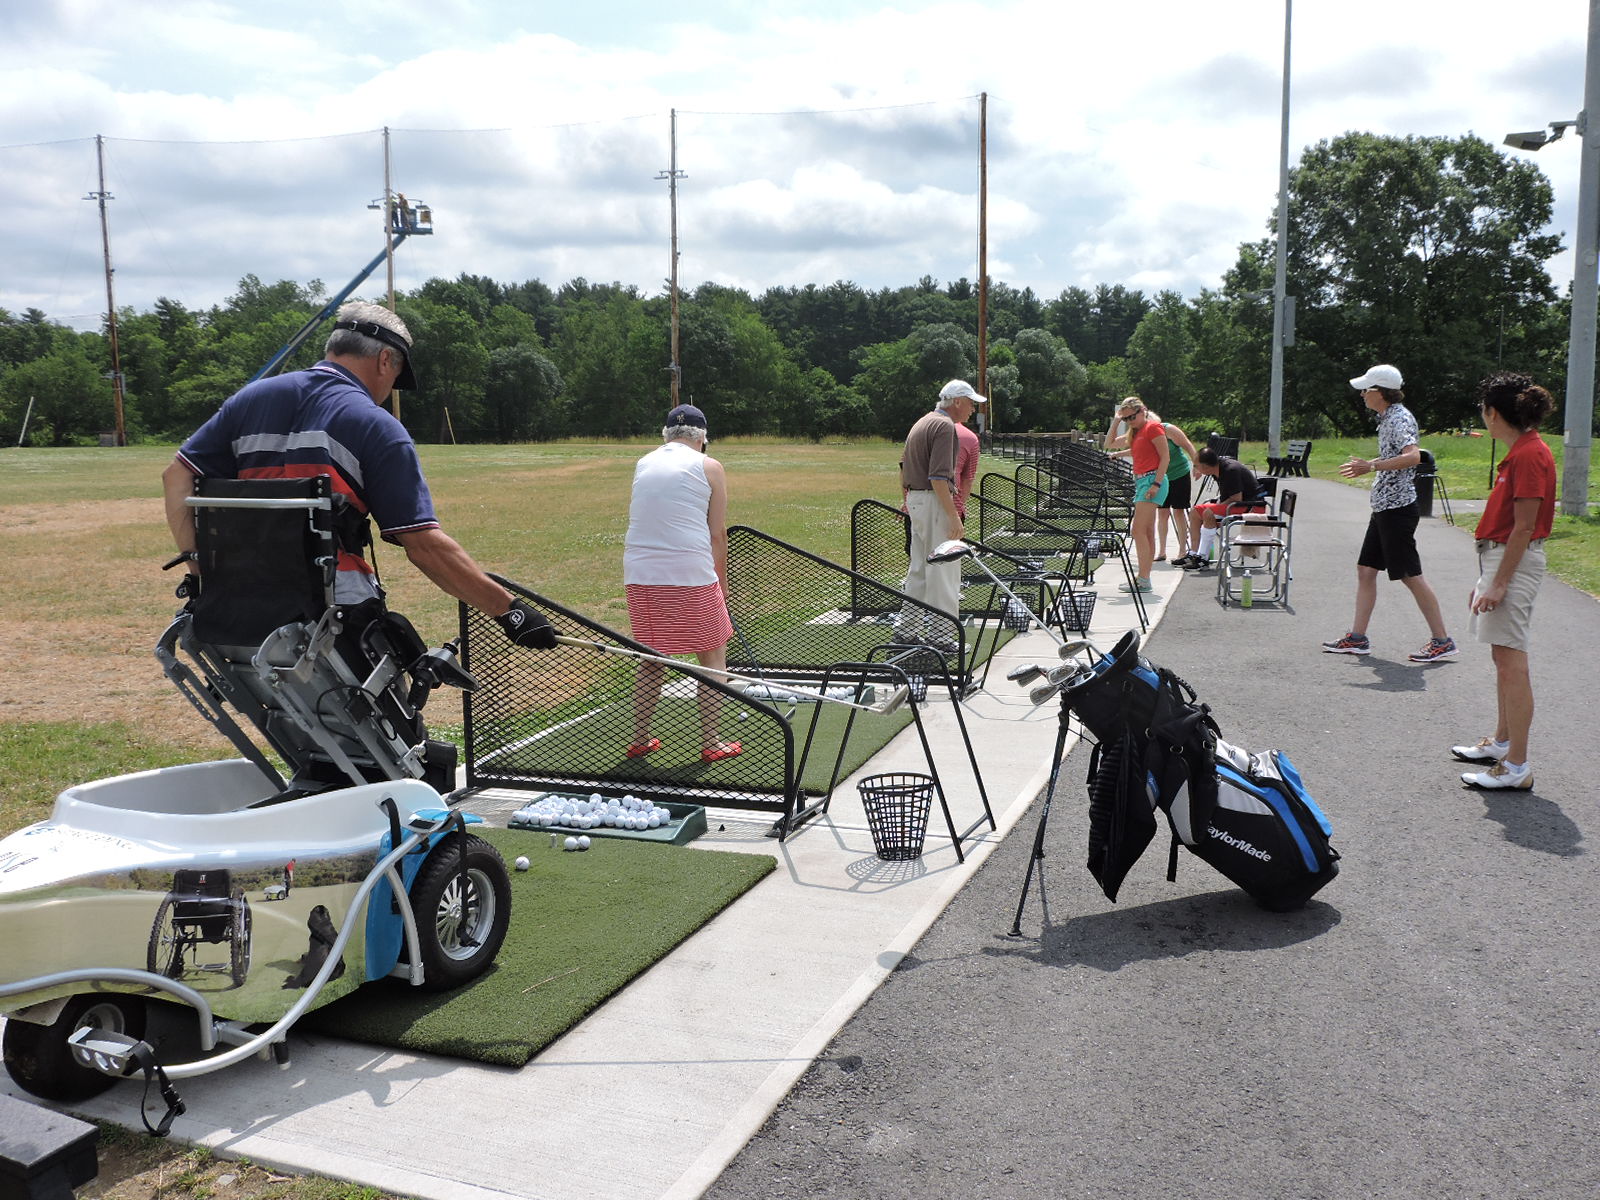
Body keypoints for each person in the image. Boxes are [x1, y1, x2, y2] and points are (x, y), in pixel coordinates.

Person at [162, 300, 556, 650]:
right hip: (332, 611)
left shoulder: (250, 398)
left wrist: (200, 570)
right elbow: (423, 545)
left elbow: (177, 476)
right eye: (395, 375)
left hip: (236, 602)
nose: (388, 389)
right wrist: (511, 612)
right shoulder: (375, 425)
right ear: (385, 360)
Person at [1452, 372, 1556, 790]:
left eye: (1484, 412)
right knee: (1502, 657)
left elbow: (1525, 527)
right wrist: (1488, 579)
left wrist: (1498, 583)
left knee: (1512, 661)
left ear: (1493, 413)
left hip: (1513, 562)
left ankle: (1516, 767)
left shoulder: (1529, 454)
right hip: (1499, 560)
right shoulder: (1522, 451)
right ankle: (1503, 742)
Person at [623, 403, 741, 763]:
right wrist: (720, 586)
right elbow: (717, 535)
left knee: (652, 656)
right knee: (712, 653)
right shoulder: (710, 466)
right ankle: (712, 742)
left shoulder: (644, 462)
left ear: (666, 435)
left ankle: (640, 738)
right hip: (689, 572)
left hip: (639, 573)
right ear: (703, 438)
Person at [1321, 363, 1457, 662]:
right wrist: (1372, 463)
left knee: (1410, 575)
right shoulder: (1388, 418)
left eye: (1366, 390)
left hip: (1397, 509)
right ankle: (1357, 638)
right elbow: (1395, 456)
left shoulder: (1398, 418)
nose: (1362, 395)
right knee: (1366, 571)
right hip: (1384, 507)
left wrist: (1371, 466)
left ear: (1380, 392)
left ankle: (1442, 640)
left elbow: (1413, 456)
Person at [895, 379, 986, 648]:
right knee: (945, 571)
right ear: (957, 401)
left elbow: (904, 470)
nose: (972, 409)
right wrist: (954, 515)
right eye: (970, 403)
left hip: (916, 500)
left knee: (920, 570)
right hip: (934, 501)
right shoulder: (945, 427)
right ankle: (943, 637)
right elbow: (938, 478)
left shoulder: (923, 421)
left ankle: (906, 631)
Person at [1103, 398, 1166, 593]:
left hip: (1151, 481)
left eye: (1132, 416)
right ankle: (1144, 579)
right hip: (1142, 481)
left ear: (1142, 411)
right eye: (1126, 418)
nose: (1130, 421)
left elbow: (1165, 457)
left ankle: (1144, 579)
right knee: (1146, 532)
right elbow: (1109, 443)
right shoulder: (1136, 432)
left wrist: (1156, 483)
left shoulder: (1153, 428)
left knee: (1137, 531)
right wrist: (1116, 420)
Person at [1176, 447, 1267, 569]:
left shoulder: (1230, 470)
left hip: (1252, 506)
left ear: (1206, 467)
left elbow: (1236, 498)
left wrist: (1216, 506)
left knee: (1208, 513)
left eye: (1196, 465)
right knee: (1195, 512)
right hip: (1240, 504)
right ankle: (1194, 554)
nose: (1195, 468)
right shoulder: (1216, 469)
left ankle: (1202, 557)